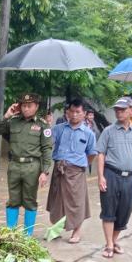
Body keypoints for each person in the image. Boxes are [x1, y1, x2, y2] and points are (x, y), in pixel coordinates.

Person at [0, 93, 53, 236]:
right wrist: (7, 115)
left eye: (29, 106)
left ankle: (28, 236)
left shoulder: (42, 125)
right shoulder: (13, 121)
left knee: (29, 201)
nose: (26, 108)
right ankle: (10, 233)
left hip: (32, 167)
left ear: (36, 107)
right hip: (14, 165)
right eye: (23, 106)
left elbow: (47, 149)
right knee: (13, 200)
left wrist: (45, 172)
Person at [95, 97, 132, 258]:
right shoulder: (108, 131)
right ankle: (109, 245)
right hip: (111, 175)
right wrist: (100, 177)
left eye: (122, 110)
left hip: (130, 177)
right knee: (109, 210)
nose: (119, 112)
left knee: (125, 210)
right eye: (117, 110)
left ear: (131, 110)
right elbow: (101, 154)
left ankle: (113, 240)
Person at [46, 98, 97, 244]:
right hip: (59, 169)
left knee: (77, 202)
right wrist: (47, 125)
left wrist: (81, 165)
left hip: (76, 172)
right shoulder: (58, 129)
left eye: (78, 112)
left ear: (84, 113)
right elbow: (47, 143)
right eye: (72, 111)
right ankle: (55, 230)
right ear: (67, 112)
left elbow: (92, 153)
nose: (74, 115)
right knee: (56, 201)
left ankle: (76, 231)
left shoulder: (88, 133)